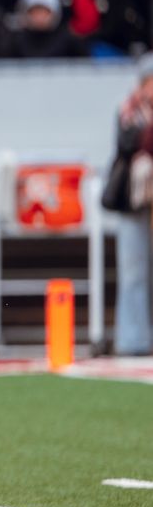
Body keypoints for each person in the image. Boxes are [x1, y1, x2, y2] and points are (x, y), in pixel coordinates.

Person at [108, 55, 153, 356]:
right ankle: (133, 340)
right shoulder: (128, 111)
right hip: (134, 200)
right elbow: (126, 145)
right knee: (133, 270)